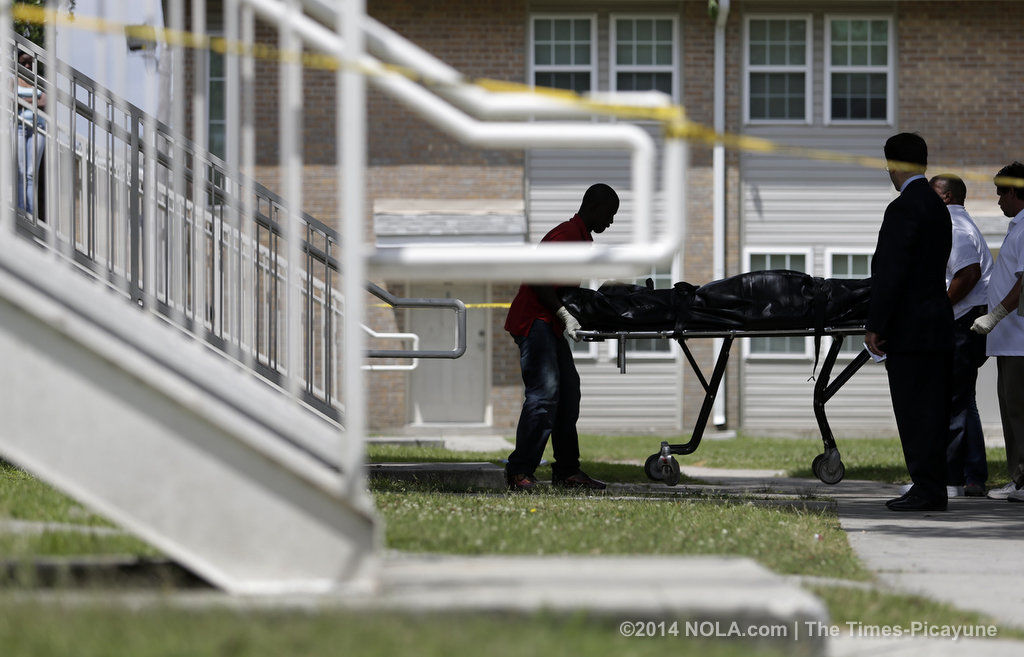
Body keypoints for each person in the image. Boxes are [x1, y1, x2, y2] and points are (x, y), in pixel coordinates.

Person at [503, 183, 618, 492]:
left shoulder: (582, 239)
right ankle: (519, 471)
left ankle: (567, 471)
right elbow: (539, 278)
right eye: (609, 215)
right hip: (534, 322)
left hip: (549, 324)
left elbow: (563, 288)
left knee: (568, 394)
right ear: (594, 208)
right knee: (545, 395)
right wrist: (564, 314)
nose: (610, 222)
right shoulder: (566, 236)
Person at [865, 133, 954, 512]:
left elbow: (891, 272)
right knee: (934, 412)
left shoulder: (902, 208)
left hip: (909, 328)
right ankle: (933, 485)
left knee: (914, 410)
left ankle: (925, 488)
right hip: (937, 323)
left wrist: (875, 323)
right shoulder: (938, 207)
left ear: (895, 165)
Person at [930, 174, 992, 497]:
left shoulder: (955, 227)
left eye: (932, 194)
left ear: (947, 197)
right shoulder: (960, 224)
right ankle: (973, 476)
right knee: (964, 400)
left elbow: (969, 272)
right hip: (968, 322)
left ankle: (953, 478)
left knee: (954, 402)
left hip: (963, 324)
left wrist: (940, 307)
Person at [970, 161, 1024, 502]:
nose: (998, 200)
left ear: (1017, 190)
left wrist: (996, 315)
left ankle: (1022, 481)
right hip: (1008, 340)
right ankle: (1018, 479)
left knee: (1019, 412)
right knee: (1011, 411)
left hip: (1019, 339)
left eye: (1001, 192)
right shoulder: (1016, 227)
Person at [15, 50, 46, 219]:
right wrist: (33, 100)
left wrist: (21, 101)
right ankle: (21, 209)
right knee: (20, 171)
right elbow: (9, 99)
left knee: (31, 173)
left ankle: (30, 213)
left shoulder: (39, 81)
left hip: (37, 128)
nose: (27, 66)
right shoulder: (13, 79)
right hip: (19, 127)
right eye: (23, 62)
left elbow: (45, 101)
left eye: (30, 63)